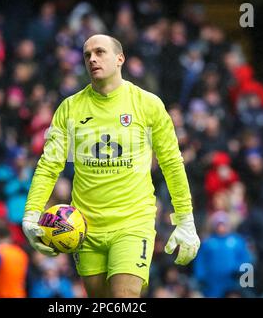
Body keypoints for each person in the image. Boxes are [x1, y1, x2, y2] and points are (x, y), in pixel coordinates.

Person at [22, 34, 200, 298]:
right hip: (82, 228)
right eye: (87, 55)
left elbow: (172, 163)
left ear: (120, 59)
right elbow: (49, 165)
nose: (92, 58)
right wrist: (31, 213)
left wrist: (185, 218)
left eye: (100, 52)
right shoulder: (69, 109)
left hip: (132, 223)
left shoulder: (147, 105)